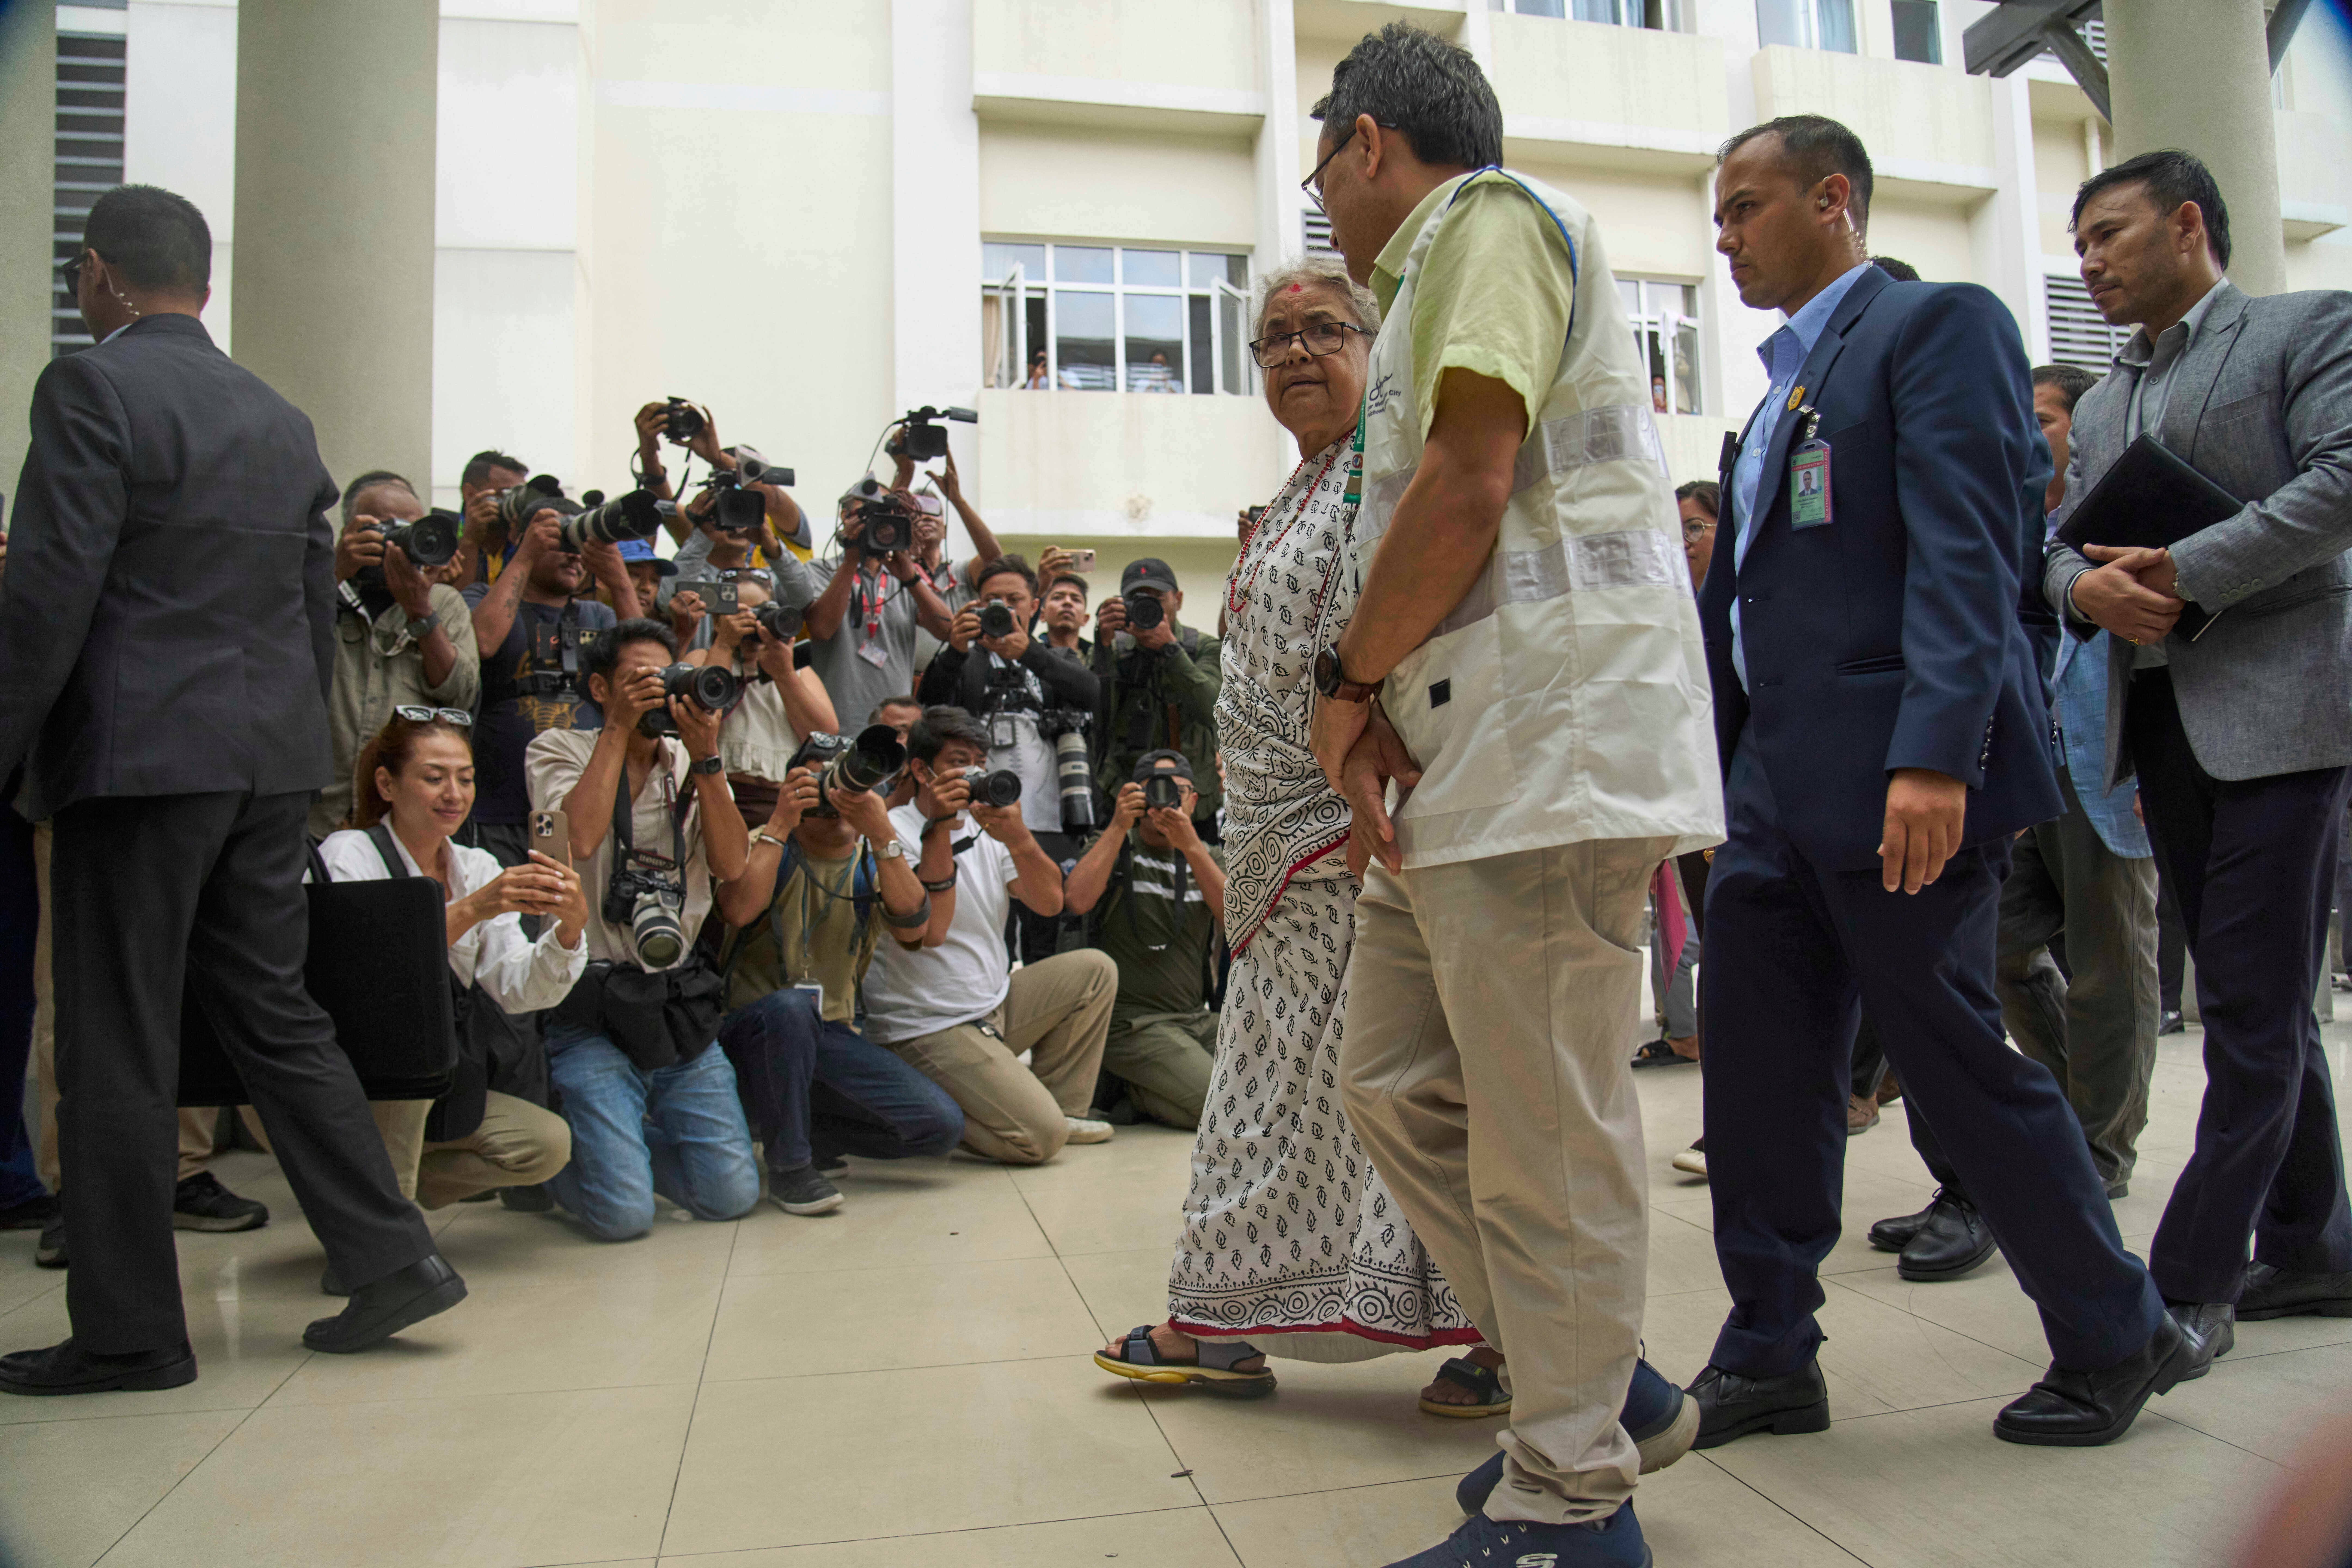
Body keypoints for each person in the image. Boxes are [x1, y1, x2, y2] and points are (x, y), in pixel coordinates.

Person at [1687, 115, 2180, 1456]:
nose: (1721, 238)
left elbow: (1971, 551)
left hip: (1897, 774)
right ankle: (1771, 1346)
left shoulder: (1932, 326)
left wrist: (1932, 753)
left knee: (1959, 1065)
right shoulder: (1783, 390)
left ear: (1833, 198)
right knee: (1761, 1076)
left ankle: (2115, 1328)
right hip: (1770, 789)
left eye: (1743, 209)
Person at [1299, 32, 1719, 1563]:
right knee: (1395, 1082)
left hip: (1548, 758)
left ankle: (1568, 1500)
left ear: (1360, 144)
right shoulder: (1423, 292)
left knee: (1542, 1127)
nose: (1322, 204)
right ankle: (1597, 1381)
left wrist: (1344, 685)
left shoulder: (1482, 222)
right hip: (1466, 760)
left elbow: (1474, 482)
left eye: (1317, 172)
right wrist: (1373, 723)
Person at [0, 184, 464, 1394]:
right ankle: (389, 1251)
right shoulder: (278, 417)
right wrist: (289, 745)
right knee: (273, 1009)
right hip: (267, 763)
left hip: (137, 764)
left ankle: (128, 1331)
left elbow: (45, 601)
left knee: (113, 1039)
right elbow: (308, 612)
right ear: (201, 280)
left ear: (102, 274)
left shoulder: (91, 388)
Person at [2046, 147, 2352, 1359]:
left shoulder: (2300, 329)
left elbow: (2341, 480)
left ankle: (2187, 1280)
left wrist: (2187, 568)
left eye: (2109, 236)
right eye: (2078, 247)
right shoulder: (2106, 393)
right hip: (2160, 718)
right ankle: (2313, 1242)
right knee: (2264, 993)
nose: (2091, 264)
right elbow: (2057, 548)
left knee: (2237, 999)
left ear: (2186, 225)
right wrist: (2087, 595)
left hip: (2284, 708)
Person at [1865, 361, 2164, 1285]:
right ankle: (2057, 1124)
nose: (2031, 438)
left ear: (2080, 430)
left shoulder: (2122, 521)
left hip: (2105, 767)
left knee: (2113, 962)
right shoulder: (2007, 519)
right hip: (2020, 771)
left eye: (2047, 422)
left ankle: (2099, 1153)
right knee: (1995, 955)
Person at [525, 620, 762, 1241]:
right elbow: (576, 839)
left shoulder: (688, 759)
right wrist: (617, 730)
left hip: (673, 1001)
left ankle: (619, 1137)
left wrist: (707, 756)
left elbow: (733, 865)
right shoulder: (557, 748)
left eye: (669, 677)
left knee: (731, 1197)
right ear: (600, 686)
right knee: (623, 1218)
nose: (660, 692)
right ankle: (550, 1165)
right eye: (641, 680)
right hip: (593, 1008)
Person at [314, 712, 581, 1221]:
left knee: (544, 1144)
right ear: (387, 784)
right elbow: (363, 973)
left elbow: (518, 990)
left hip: (439, 1077)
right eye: (434, 778)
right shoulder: (347, 854)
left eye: (465, 778)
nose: (454, 794)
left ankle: (377, 1200)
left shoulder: (475, 865)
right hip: (350, 1074)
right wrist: (472, 909)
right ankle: (382, 1247)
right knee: (408, 1055)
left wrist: (568, 929)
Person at [709, 746, 964, 1215]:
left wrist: (882, 830)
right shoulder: (767, 842)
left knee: (939, 1126)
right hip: (750, 1031)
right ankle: (791, 1169)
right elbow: (739, 909)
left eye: (847, 786)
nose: (835, 798)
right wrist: (782, 821)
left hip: (827, 1034)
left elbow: (914, 931)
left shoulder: (874, 861)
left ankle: (801, 1130)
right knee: (789, 1009)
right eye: (821, 786)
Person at [858, 707, 1116, 1164]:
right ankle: (935, 1110)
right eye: (959, 761)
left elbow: (1050, 904)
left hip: (991, 1006)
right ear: (920, 769)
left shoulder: (987, 826)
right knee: (1040, 1140)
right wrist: (940, 826)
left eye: (980, 760)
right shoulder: (891, 832)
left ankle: (1059, 1108)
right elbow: (930, 934)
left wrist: (1018, 836)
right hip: (927, 1025)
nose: (973, 772)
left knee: (1095, 970)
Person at [919, 554, 1101, 961]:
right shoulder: (965, 659)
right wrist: (953, 649)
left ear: (1034, 605)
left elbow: (1092, 693)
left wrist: (1030, 653)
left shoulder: (1053, 657)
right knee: (991, 925)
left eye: (1014, 599)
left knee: (1049, 931)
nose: (1002, 608)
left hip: (1052, 818)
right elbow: (928, 711)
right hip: (981, 818)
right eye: (992, 599)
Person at [462, 495, 635, 867]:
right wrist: (523, 556)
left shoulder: (598, 615)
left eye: (580, 547)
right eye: (564, 543)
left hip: (575, 808)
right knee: (505, 916)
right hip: (498, 807)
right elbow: (483, 641)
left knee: (563, 919)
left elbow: (644, 667)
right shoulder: (481, 597)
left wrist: (619, 581)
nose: (575, 555)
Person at [1062, 752, 1224, 1128]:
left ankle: (1142, 1092)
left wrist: (1191, 847)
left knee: (1271, 1074)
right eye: (1155, 790)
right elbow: (1077, 900)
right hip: (1132, 1024)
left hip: (1196, 1017)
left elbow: (1236, 921)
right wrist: (1119, 826)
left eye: (1177, 790)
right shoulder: (1114, 845)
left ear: (1194, 800)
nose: (1165, 800)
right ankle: (1145, 1088)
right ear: (1136, 795)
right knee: (1219, 1105)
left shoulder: (1209, 856)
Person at [315, 470, 480, 838]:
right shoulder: (317, 590)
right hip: (319, 812)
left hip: (404, 822)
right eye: (385, 528)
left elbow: (462, 695)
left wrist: (420, 609)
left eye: (411, 528)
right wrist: (336, 572)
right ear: (349, 532)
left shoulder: (444, 603)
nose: (399, 541)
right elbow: (281, 658)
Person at [772, 485, 956, 734]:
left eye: (886, 516)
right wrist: (851, 560)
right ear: (846, 518)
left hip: (896, 730)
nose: (877, 524)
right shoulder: (819, 571)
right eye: (867, 515)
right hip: (836, 724)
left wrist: (910, 578)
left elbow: (948, 631)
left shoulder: (902, 578)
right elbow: (821, 630)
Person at [1093, 559, 1222, 840]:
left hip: (1194, 802)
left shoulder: (1204, 648)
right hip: (1127, 798)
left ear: (1178, 600)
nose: (1148, 609)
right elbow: (1097, 717)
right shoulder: (1114, 649)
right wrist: (1102, 646)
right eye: (1137, 601)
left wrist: (1171, 650)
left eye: (1158, 599)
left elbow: (1214, 710)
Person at [692, 572, 840, 787]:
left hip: (781, 796)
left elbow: (824, 735)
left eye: (762, 611)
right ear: (718, 621)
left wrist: (784, 675)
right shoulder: (702, 659)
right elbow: (699, 715)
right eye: (743, 613)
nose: (753, 622)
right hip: (719, 790)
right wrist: (725, 644)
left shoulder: (796, 670)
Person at [449, 448, 530, 590]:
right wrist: (470, 541)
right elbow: (456, 604)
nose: (516, 505)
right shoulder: (443, 538)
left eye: (520, 496)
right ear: (470, 494)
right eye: (506, 494)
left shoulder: (521, 540)